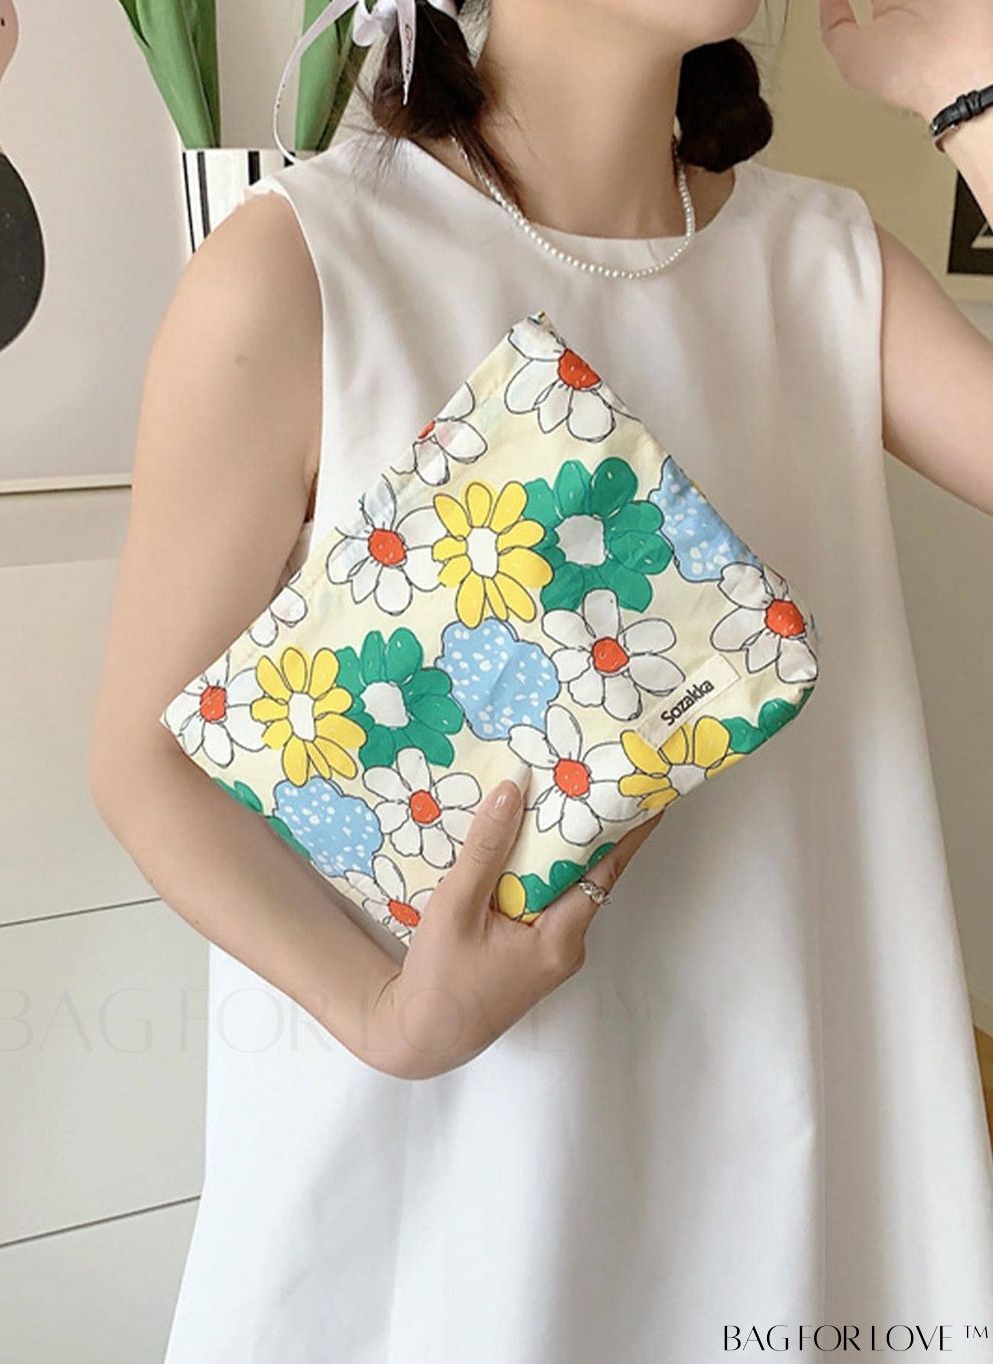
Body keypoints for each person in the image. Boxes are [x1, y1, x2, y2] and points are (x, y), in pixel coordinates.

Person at [88, 0, 993, 1359]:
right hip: (458, 1190)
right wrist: (385, 1019)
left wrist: (968, 84)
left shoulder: (828, 262)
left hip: (789, 1150)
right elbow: (141, 760)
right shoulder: (306, 262)